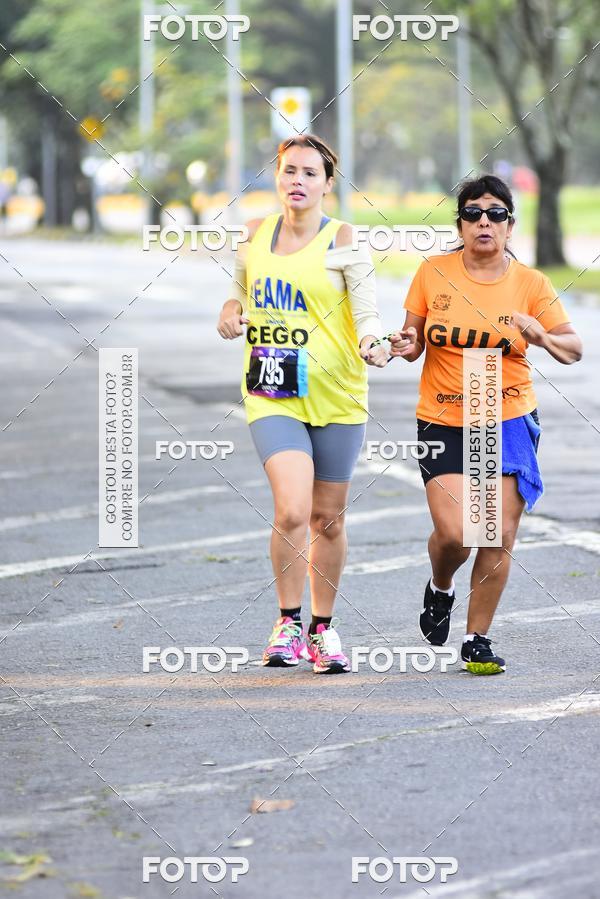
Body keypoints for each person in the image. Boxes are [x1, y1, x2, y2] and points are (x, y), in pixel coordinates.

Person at [390, 174, 582, 674]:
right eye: (473, 213)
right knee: (457, 533)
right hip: (443, 416)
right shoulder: (433, 273)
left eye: (496, 214)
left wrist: (542, 336)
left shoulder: (531, 284)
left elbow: (573, 349)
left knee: (495, 531)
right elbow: (412, 341)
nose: (484, 222)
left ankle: (477, 638)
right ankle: (441, 586)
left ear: (509, 226)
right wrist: (404, 345)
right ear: (460, 224)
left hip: (507, 418)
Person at [217, 133, 388, 673]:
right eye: (289, 170)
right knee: (292, 509)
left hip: (338, 395)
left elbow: (366, 314)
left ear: (327, 184)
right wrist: (229, 310)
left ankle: (322, 629)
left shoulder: (345, 238)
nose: (298, 180)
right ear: (277, 176)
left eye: (310, 173)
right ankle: (287, 623)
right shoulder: (253, 234)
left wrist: (374, 343)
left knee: (327, 519)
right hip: (273, 389)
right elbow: (239, 292)